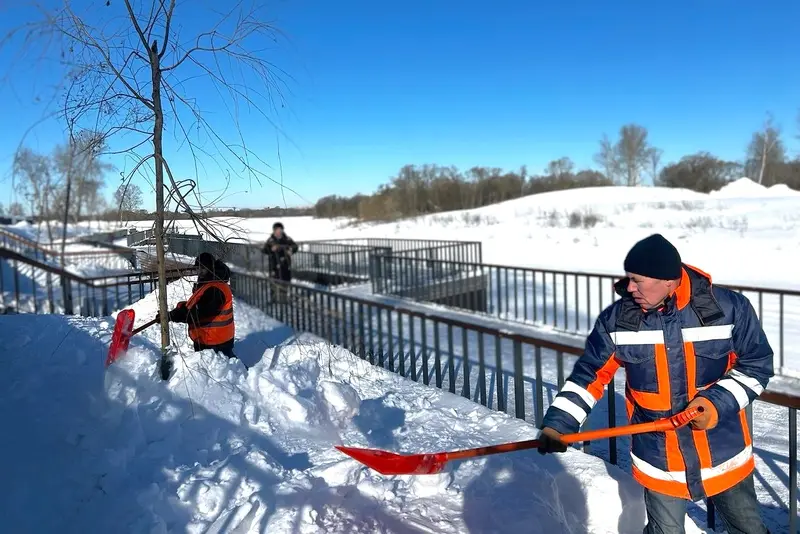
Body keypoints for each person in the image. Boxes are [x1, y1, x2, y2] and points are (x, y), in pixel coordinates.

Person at [537, 233, 773, 534]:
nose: (629, 288)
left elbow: (757, 365)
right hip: (659, 457)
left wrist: (716, 403)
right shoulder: (618, 320)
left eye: (638, 280)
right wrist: (559, 424)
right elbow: (590, 375)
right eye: (629, 278)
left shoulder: (729, 308)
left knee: (748, 529)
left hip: (724, 451)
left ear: (668, 281)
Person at [158, 252, 237, 359]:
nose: (199, 272)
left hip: (215, 341)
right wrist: (174, 312)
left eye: (203, 269)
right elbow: (195, 305)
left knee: (220, 371)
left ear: (211, 268)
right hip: (211, 338)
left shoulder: (215, 289)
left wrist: (172, 316)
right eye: (198, 269)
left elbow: (199, 313)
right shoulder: (209, 284)